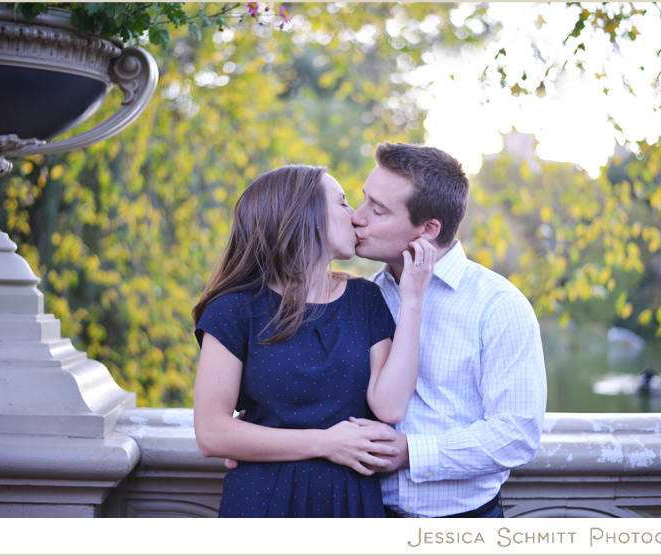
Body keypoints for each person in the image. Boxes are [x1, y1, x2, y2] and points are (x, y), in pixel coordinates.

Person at [191, 164, 435, 518]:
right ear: (307, 217)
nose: (355, 216)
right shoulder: (234, 310)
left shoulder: (365, 299)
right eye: (343, 203)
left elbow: (391, 407)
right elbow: (211, 433)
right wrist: (325, 443)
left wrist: (413, 300)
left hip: (349, 504)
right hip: (262, 503)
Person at [349, 142, 548, 518]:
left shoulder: (499, 305)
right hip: (363, 515)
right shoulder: (362, 297)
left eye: (377, 210)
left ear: (427, 230)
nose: (357, 218)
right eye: (363, 202)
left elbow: (517, 434)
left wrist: (410, 452)